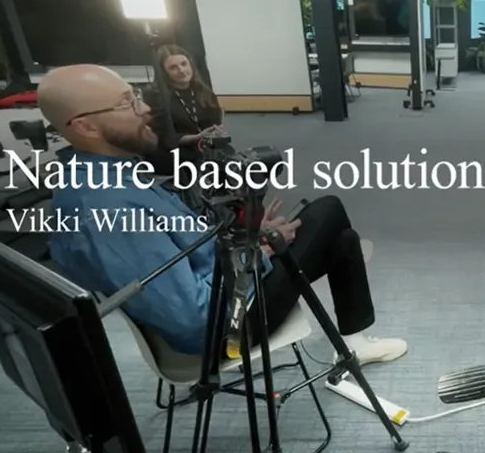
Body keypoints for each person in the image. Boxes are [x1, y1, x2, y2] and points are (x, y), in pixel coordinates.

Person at [40, 65, 407, 366]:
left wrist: (248, 235)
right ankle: (354, 342)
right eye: (126, 103)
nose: (143, 110)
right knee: (328, 212)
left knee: (342, 239)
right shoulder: (106, 207)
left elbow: (187, 249)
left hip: (226, 286)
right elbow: (195, 317)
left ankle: (355, 340)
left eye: (135, 96)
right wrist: (255, 255)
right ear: (84, 126)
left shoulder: (107, 178)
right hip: (227, 327)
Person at [144, 44, 225, 168]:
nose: (181, 70)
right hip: (173, 157)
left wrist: (216, 132)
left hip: (205, 151)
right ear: (163, 72)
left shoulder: (205, 92)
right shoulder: (155, 96)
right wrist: (197, 137)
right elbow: (164, 137)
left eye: (184, 64)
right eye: (173, 67)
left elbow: (214, 124)